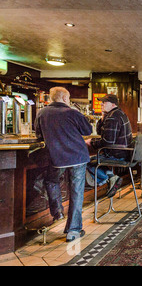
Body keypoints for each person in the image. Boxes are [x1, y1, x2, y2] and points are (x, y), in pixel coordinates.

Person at [34, 87, 92, 242]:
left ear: (52, 98)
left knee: (51, 181)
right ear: (66, 98)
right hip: (78, 156)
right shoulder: (72, 112)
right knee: (76, 192)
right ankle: (73, 230)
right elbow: (88, 129)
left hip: (57, 157)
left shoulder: (42, 113)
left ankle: (58, 211)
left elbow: (38, 135)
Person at [85, 94, 133, 198]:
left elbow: (107, 142)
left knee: (86, 161)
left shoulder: (113, 117)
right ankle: (111, 178)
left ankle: (109, 179)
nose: (101, 104)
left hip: (116, 154)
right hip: (123, 152)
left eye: (104, 102)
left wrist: (91, 142)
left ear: (112, 104)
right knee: (96, 160)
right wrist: (103, 117)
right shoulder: (119, 114)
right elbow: (100, 133)